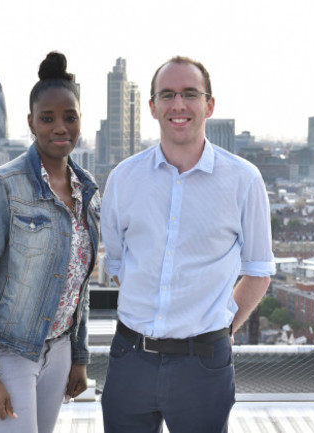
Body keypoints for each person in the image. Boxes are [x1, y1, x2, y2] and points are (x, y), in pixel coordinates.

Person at [100, 56, 275, 433]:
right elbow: (117, 264)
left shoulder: (244, 180)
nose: (178, 105)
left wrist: (224, 325)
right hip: (130, 357)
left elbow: (259, 270)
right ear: (152, 106)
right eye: (167, 95)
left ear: (209, 104)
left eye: (190, 94)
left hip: (203, 364)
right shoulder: (124, 178)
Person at [0, 51, 100, 433]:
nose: (60, 127)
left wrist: (78, 358)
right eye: (47, 118)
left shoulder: (87, 191)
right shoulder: (1, 188)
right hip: (5, 353)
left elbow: (76, 286)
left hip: (59, 352)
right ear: (31, 123)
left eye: (70, 116)